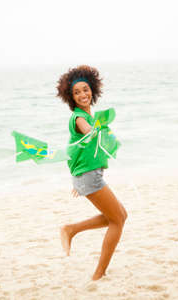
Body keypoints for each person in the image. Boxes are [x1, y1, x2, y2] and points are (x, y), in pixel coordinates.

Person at [56, 65, 127, 281]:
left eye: (85, 89)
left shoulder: (89, 114)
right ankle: (98, 274)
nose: (82, 95)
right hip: (89, 178)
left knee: (118, 216)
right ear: (71, 97)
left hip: (88, 176)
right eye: (76, 92)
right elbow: (87, 132)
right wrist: (96, 131)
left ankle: (71, 229)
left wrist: (77, 179)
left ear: (92, 90)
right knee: (118, 220)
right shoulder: (78, 118)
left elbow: (76, 150)